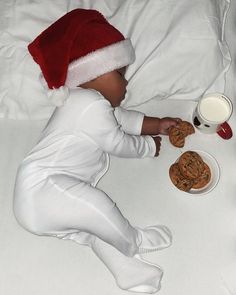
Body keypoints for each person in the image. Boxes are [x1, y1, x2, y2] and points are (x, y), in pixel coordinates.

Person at [13, 9, 181, 293]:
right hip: (42, 189)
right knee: (99, 207)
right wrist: (147, 147)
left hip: (47, 200)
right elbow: (116, 141)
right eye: (119, 73)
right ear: (91, 73)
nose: (126, 83)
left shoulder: (90, 104)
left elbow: (121, 118)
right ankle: (133, 239)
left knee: (95, 230)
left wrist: (157, 125)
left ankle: (131, 273)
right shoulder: (88, 104)